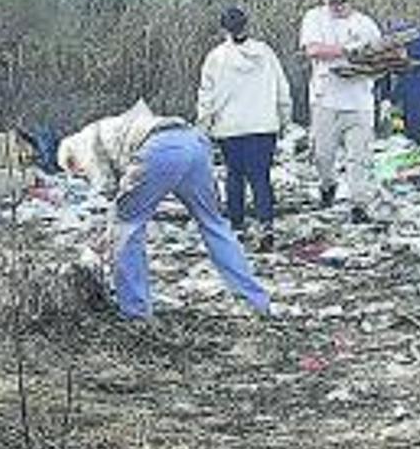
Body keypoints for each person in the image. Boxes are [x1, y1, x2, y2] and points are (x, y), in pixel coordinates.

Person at [57, 100, 271, 321]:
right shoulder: (106, 127)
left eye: (77, 172)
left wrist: (106, 236)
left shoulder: (83, 146)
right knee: (213, 224)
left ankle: (135, 313)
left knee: (127, 229)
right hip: (193, 142)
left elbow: (110, 189)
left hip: (159, 149)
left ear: (71, 162)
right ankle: (256, 301)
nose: (81, 175)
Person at [196, 5, 292, 251]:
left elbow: (208, 96)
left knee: (234, 176)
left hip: (230, 127)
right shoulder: (265, 53)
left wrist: (204, 126)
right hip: (263, 124)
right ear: (247, 26)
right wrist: (284, 119)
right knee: (261, 177)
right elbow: (282, 89)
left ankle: (237, 227)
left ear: (223, 29)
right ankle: (266, 226)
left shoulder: (216, 58)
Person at [298, 0, 382, 223]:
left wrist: (369, 64)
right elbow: (312, 49)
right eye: (332, 2)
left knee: (359, 157)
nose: (338, 7)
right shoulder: (314, 18)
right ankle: (328, 185)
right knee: (323, 155)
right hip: (326, 100)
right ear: (324, 0)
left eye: (343, 2)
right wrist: (346, 50)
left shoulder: (365, 24)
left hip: (359, 101)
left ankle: (359, 204)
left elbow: (381, 55)